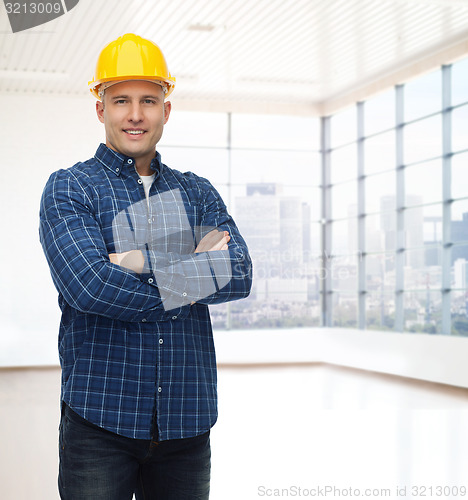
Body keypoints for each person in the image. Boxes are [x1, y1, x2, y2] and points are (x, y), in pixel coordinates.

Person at [39, 33, 252, 500]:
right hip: (99, 421)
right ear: (101, 109)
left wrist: (137, 261)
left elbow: (239, 273)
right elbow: (91, 287)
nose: (135, 115)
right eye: (121, 101)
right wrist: (193, 273)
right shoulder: (70, 189)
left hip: (187, 421)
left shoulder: (197, 192)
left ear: (166, 110)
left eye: (148, 101)